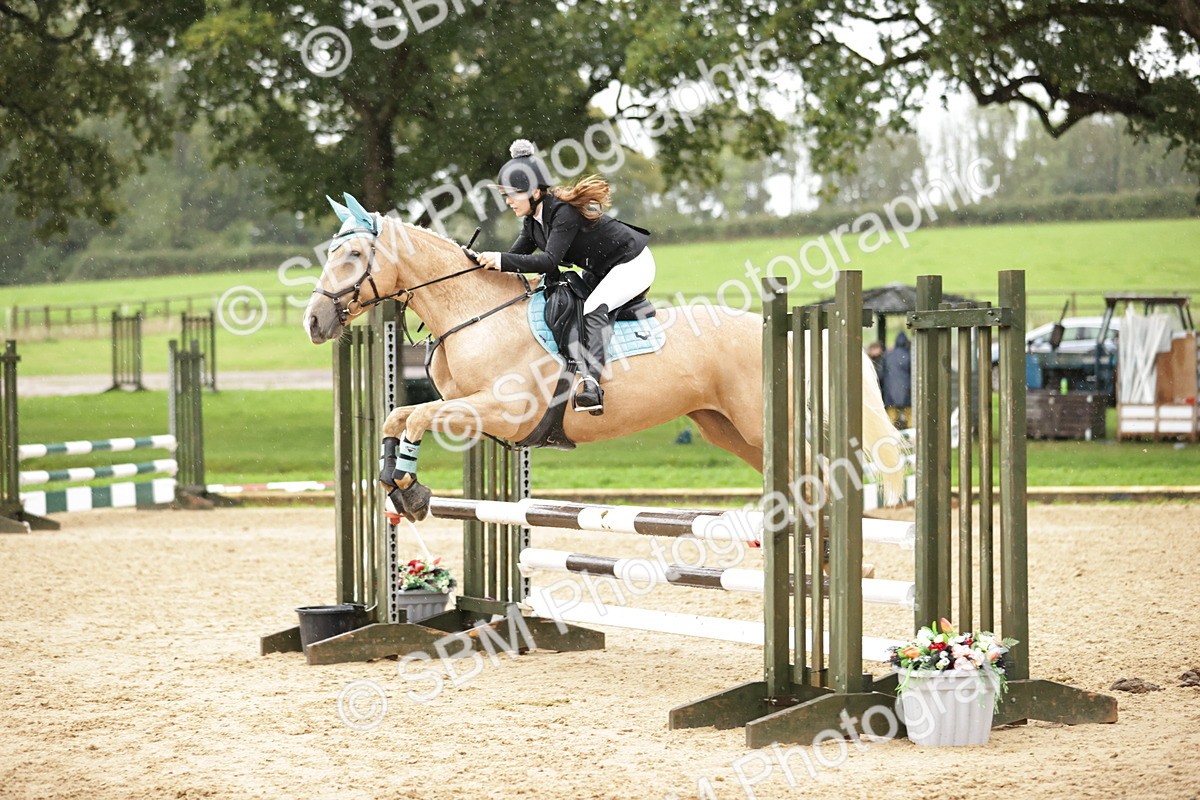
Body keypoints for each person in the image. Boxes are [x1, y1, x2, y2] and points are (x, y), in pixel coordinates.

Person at [473, 139, 654, 415]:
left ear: (534, 192)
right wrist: (475, 263)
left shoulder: (563, 213)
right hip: (602, 270)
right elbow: (514, 259)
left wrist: (499, 260)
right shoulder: (533, 223)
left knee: (593, 308)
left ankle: (592, 384)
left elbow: (548, 261)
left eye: (512, 195)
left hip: (633, 263)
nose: (508, 201)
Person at [881, 331, 912, 428]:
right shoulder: (909, 355)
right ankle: (911, 431)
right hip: (906, 390)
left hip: (890, 391)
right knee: (909, 414)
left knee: (891, 417)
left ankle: (890, 431)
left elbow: (881, 374)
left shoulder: (888, 356)